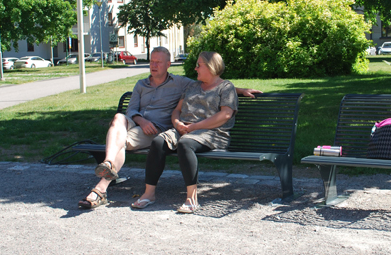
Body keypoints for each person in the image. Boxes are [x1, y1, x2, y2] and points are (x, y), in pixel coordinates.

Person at [78, 47, 259, 209]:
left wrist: (241, 91)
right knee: (138, 130)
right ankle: (125, 176)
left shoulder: (200, 85)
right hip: (159, 126)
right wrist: (163, 122)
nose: (153, 65)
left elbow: (221, 100)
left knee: (175, 143)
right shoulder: (171, 85)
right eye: (151, 61)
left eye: (158, 62)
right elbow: (164, 110)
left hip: (188, 131)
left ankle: (190, 198)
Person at [131, 51, 236, 213]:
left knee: (185, 143)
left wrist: (194, 127)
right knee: (159, 142)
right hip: (185, 129)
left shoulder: (226, 87)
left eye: (198, 65)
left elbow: (225, 115)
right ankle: (149, 193)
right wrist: (177, 123)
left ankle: (191, 198)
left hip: (213, 132)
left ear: (210, 66)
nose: (195, 69)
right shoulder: (193, 86)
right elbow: (177, 110)